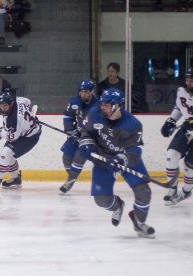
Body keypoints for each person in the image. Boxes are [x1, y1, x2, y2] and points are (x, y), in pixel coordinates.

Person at [78, 89, 155, 238]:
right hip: (103, 159)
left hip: (125, 159)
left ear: (117, 106)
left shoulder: (133, 124)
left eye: (107, 105)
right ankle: (118, 205)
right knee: (101, 200)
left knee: (144, 192)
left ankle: (139, 222)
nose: (102, 107)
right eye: (102, 103)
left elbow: (135, 152)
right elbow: (86, 132)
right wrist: (86, 143)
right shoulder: (95, 114)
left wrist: (121, 159)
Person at [0, 92, 41, 190]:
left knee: (6, 153)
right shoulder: (18, 100)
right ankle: (16, 179)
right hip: (24, 130)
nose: (2, 108)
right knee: (8, 155)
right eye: (1, 105)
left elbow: (12, 137)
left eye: (5, 105)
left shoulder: (14, 120)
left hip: (30, 136)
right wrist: (28, 118)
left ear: (11, 104)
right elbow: (28, 101)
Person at [59, 80, 99, 195]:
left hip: (91, 135)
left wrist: (83, 129)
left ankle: (70, 180)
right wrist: (69, 130)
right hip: (76, 133)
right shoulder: (74, 101)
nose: (83, 94)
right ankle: (72, 177)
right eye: (81, 92)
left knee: (79, 157)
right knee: (66, 158)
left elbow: (96, 123)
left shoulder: (98, 105)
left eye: (86, 92)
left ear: (92, 92)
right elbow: (68, 115)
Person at [160, 68, 193, 204]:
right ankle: (172, 188)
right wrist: (172, 120)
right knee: (171, 155)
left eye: (192, 81)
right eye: (187, 80)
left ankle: (186, 192)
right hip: (187, 127)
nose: (189, 83)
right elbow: (180, 107)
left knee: (189, 166)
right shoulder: (182, 91)